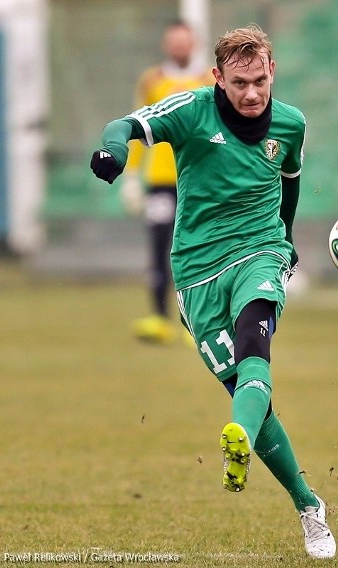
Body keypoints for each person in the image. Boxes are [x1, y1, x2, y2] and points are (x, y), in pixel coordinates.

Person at [90, 25, 336, 560]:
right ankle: (308, 503)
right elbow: (123, 124)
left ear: (274, 75)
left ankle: (238, 438)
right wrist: (112, 154)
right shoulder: (191, 111)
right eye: (242, 82)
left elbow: (289, 183)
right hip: (197, 272)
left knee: (255, 347)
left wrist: (286, 243)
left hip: (259, 251)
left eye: (262, 81)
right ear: (218, 78)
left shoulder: (290, 124)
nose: (253, 94)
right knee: (250, 395)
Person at [122, 21, 214, 345]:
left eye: (184, 41)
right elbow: (137, 128)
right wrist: (131, 175)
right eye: (174, 41)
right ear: (166, 44)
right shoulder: (152, 81)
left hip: (199, 180)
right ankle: (160, 319)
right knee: (160, 247)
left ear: (195, 44)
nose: (179, 47)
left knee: (200, 249)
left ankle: (199, 321)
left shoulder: (209, 80)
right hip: (161, 180)